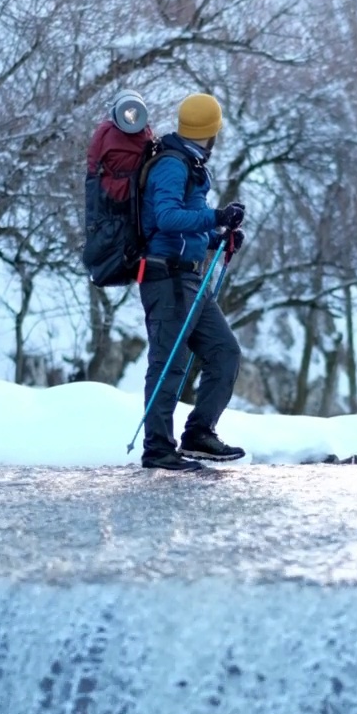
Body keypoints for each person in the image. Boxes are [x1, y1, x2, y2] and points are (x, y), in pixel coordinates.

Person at [137, 92, 247, 472]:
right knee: (170, 363)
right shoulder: (172, 165)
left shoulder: (190, 162)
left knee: (224, 352)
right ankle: (157, 449)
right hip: (164, 278)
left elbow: (183, 227)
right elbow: (166, 218)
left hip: (187, 276)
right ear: (211, 131)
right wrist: (216, 217)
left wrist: (219, 238)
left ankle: (199, 435)